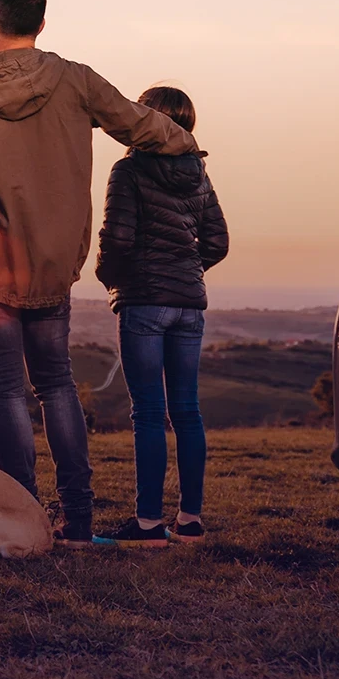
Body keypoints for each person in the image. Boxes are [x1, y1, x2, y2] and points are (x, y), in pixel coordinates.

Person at [0, 0, 197, 546]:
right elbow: (139, 122)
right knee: (56, 385)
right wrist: (185, 147)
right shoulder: (75, 80)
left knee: (4, 391)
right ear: (42, 24)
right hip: (53, 266)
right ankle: (76, 521)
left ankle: (22, 514)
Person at [94, 86, 228, 547]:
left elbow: (119, 238)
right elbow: (217, 243)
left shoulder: (128, 170)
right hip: (189, 304)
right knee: (187, 411)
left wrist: (109, 278)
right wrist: (185, 274)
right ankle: (190, 520)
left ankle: (149, 525)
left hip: (144, 302)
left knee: (149, 413)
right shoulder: (199, 175)